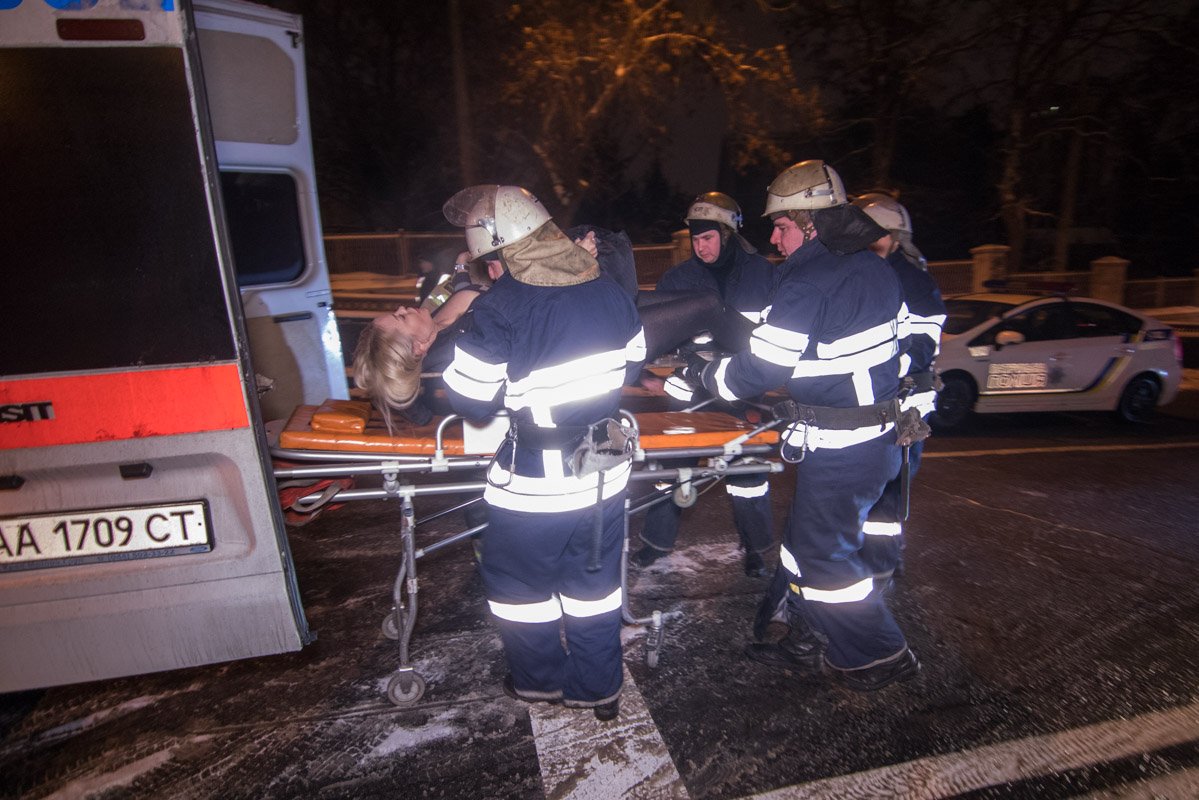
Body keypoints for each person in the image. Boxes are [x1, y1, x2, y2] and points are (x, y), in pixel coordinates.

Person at [684, 160, 921, 691]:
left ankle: (879, 653)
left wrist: (706, 374)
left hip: (845, 446)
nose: (773, 237)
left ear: (811, 224)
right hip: (874, 439)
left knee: (822, 554)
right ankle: (808, 638)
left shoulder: (808, 280)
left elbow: (762, 368)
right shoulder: (872, 268)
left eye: (782, 226)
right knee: (801, 545)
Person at [440, 184, 645, 721]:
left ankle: (541, 681)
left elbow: (469, 397)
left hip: (538, 482)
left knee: (516, 586)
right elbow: (636, 363)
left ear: (500, 248)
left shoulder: (502, 308)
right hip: (604, 465)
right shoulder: (610, 291)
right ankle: (599, 689)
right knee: (594, 583)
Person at [632, 192, 777, 577]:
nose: (701, 246)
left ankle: (755, 548)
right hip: (692, 392)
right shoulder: (678, 278)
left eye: (708, 237)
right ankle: (655, 543)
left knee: (748, 473)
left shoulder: (762, 274)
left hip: (743, 387)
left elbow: (774, 333)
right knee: (671, 471)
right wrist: (646, 373)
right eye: (695, 238)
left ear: (728, 234)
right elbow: (657, 333)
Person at [854, 193, 946, 588]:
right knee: (867, 489)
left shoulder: (914, 282)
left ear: (895, 238)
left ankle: (881, 569)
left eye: (874, 238)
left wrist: (882, 372)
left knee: (888, 495)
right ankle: (874, 558)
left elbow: (923, 346)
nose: (866, 246)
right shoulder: (863, 275)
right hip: (872, 403)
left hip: (904, 407)